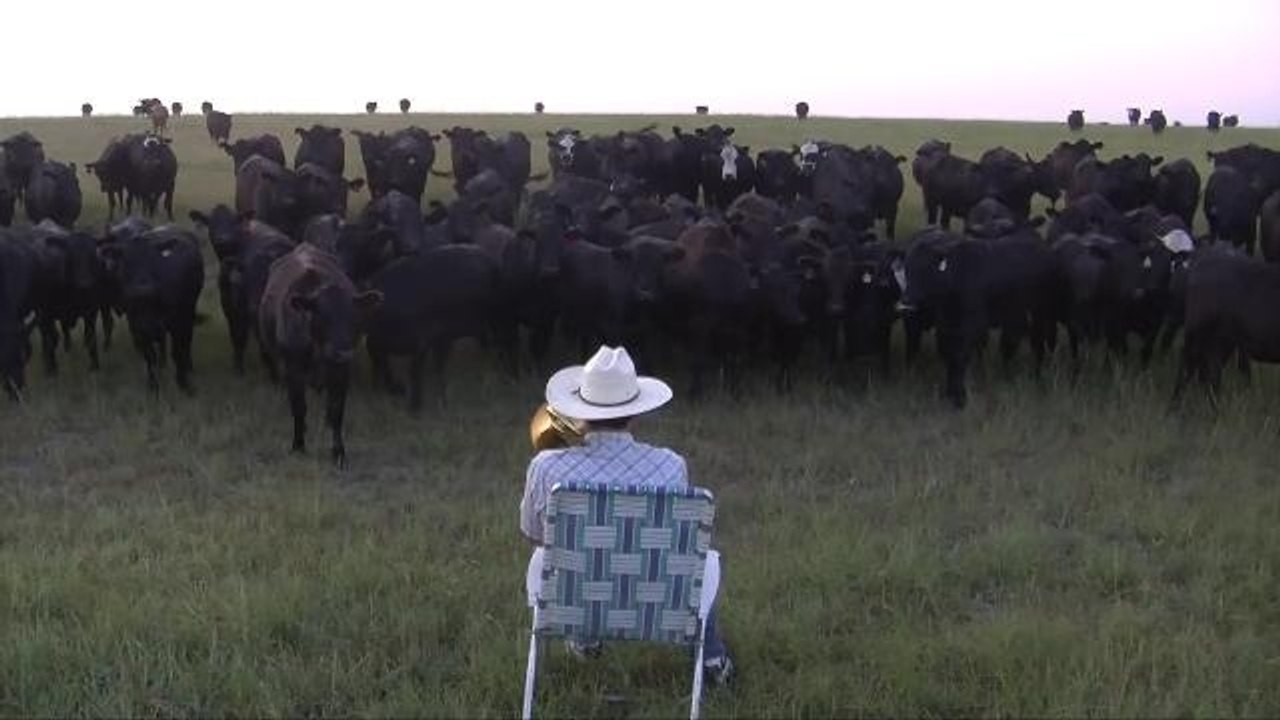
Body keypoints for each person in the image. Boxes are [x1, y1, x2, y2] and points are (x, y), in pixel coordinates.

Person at [519, 345, 734, 685]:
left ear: (582, 411)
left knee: (559, 554)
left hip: (573, 603)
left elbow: (533, 535)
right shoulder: (671, 464)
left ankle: (585, 635)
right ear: (635, 414)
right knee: (701, 562)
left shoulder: (546, 467)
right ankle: (711, 659)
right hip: (656, 606)